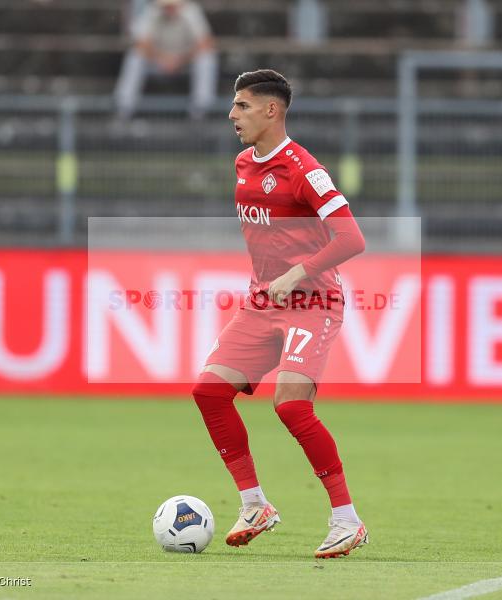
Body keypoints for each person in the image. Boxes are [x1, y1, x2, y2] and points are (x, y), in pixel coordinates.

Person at [191, 70, 369, 559]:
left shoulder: (305, 170)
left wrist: (298, 273)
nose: (232, 115)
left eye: (243, 106)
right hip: (263, 303)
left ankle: (346, 520)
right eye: (234, 105)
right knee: (208, 392)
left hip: (313, 304)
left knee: (291, 406)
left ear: (272, 110)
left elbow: (352, 239)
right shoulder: (243, 163)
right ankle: (254, 504)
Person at [114, 0, 217, 120]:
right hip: (157, 63)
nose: (169, 8)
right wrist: (161, 59)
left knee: (207, 58)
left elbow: (206, 43)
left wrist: (179, 60)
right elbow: (140, 44)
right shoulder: (152, 11)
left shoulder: (191, 11)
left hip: (185, 63)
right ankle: (123, 109)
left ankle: (201, 110)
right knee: (135, 57)